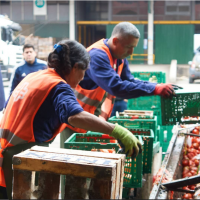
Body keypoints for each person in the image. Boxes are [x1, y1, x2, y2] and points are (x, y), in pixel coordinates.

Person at [0, 39, 142, 199]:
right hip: (20, 160)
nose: (82, 79)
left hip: (8, 153)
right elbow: (75, 116)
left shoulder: (35, 77)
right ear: (75, 67)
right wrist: (117, 131)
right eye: (84, 72)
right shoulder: (58, 86)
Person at [61, 21, 177, 147]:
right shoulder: (97, 56)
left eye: (133, 47)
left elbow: (129, 80)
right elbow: (115, 87)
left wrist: (155, 86)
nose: (131, 52)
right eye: (128, 47)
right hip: (76, 120)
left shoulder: (119, 57)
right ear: (115, 41)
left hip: (93, 120)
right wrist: (154, 89)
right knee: (74, 160)